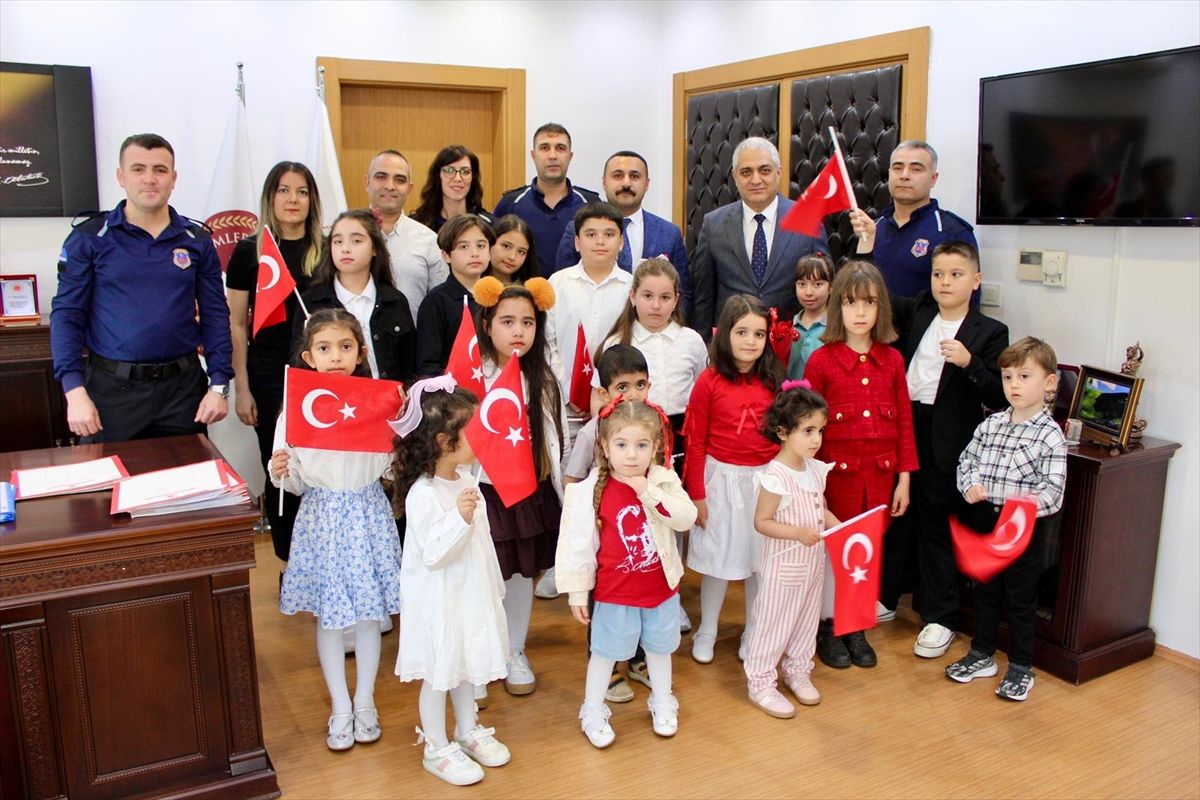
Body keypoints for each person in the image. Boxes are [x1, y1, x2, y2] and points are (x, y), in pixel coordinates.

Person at [268, 309, 403, 751]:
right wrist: (281, 470)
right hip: (322, 519)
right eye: (324, 349)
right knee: (329, 618)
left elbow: (389, 467)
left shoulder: (375, 403)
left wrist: (399, 448)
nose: (335, 357)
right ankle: (339, 707)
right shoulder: (297, 405)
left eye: (345, 347)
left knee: (368, 616)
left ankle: (365, 701)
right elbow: (291, 478)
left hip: (367, 514)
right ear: (308, 356)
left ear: (361, 353)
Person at [51, 132, 232, 442]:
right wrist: (74, 390)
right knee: (108, 489)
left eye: (160, 170)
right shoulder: (90, 239)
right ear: (121, 177)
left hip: (182, 393)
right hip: (111, 394)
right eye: (138, 169)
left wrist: (219, 385)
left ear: (173, 178)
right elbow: (67, 315)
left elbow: (216, 315)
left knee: (187, 487)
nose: (150, 179)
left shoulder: (197, 241)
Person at [887, 241, 1008, 658]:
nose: (945, 282)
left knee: (938, 526)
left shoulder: (990, 331)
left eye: (956, 274)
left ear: (975, 281)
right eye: (939, 274)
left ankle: (942, 617)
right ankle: (888, 596)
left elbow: (998, 392)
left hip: (948, 440)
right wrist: (867, 246)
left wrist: (969, 362)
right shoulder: (921, 309)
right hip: (905, 426)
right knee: (898, 516)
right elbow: (881, 293)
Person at [557, 398, 697, 748]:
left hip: (658, 589)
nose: (631, 455)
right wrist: (577, 591)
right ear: (605, 446)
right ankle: (592, 709)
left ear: (655, 447)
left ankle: (663, 700)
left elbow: (685, 518)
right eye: (621, 445)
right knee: (605, 652)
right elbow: (578, 545)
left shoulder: (663, 480)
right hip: (615, 591)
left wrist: (648, 492)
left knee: (660, 648)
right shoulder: (590, 489)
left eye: (641, 445)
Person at [392, 376, 511, 786]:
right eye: (472, 431)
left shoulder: (464, 481)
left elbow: (482, 544)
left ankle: (466, 728)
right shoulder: (423, 493)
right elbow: (434, 552)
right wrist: (458, 517)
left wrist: (493, 587)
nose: (482, 438)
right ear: (445, 441)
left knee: (465, 666)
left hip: (469, 594)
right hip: (441, 601)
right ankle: (436, 744)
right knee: (440, 671)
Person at [802, 261, 917, 669]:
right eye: (851, 303)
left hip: (881, 478)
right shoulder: (822, 361)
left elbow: (904, 421)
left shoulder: (892, 361)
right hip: (837, 480)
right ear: (838, 308)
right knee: (834, 556)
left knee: (866, 556)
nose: (860, 312)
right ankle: (827, 627)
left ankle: (856, 626)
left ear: (880, 308)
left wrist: (904, 479)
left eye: (869, 303)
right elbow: (808, 430)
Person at [948, 337, 1067, 701]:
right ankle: (982, 653)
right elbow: (966, 461)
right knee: (984, 592)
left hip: (1021, 528)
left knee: (1019, 598)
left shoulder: (1050, 436)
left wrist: (1025, 502)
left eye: (1024, 376)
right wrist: (970, 485)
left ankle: (1020, 665)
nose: (1014, 385)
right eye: (1008, 377)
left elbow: (1053, 490)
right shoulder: (991, 425)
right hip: (985, 519)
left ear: (1049, 383)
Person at [471, 276, 567, 698]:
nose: (517, 331)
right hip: (483, 492)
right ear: (487, 323)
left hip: (528, 488)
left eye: (527, 323)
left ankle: (514, 649)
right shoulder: (470, 375)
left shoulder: (543, 378)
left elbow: (556, 435)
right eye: (507, 321)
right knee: (480, 579)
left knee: (521, 575)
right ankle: (478, 656)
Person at [225, 161, 322, 567]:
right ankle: (289, 561)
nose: (293, 199)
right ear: (270, 197)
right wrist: (242, 387)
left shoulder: (328, 248)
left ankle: (321, 561)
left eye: (301, 191)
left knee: (319, 470)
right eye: (284, 190)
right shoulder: (251, 251)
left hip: (320, 375)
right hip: (268, 376)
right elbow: (235, 324)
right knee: (280, 468)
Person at [683, 294, 783, 665]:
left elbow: (781, 438)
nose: (750, 341)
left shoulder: (773, 380)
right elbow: (695, 441)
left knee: (759, 561)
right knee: (720, 561)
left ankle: (753, 630)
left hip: (762, 483)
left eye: (759, 334)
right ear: (725, 333)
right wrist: (697, 493)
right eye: (742, 332)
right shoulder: (708, 382)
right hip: (720, 480)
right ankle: (707, 628)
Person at [563, 344, 654, 704]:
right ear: (603, 392)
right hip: (607, 535)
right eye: (622, 387)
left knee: (642, 596)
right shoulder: (591, 432)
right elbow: (572, 480)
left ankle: (636, 657)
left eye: (640, 385)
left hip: (644, 529)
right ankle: (607, 665)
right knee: (606, 601)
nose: (632, 394)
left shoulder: (654, 425)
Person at [745, 383, 838, 718]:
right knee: (773, 623)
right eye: (808, 430)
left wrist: (838, 525)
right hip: (784, 568)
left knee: (804, 620)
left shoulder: (814, 468)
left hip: (812, 565)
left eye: (820, 431)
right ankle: (760, 682)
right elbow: (762, 522)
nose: (816, 439)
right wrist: (797, 533)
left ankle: (798, 669)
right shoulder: (776, 476)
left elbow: (820, 507)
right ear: (782, 432)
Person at [689, 137, 830, 339]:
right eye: (746, 172)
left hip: (792, 346)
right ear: (735, 176)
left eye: (764, 170)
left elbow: (824, 287)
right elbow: (703, 298)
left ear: (779, 172)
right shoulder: (713, 225)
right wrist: (705, 347)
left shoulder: (807, 219)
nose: (756, 180)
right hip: (732, 347)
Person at [554, 151, 692, 310]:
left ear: (646, 184)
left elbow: (683, 293)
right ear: (604, 182)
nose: (626, 183)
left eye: (634, 176)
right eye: (618, 176)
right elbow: (563, 286)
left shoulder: (669, 233)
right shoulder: (577, 229)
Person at [295, 209, 417, 385]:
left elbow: (409, 363)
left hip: (389, 403)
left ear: (375, 248)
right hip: (331, 402)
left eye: (356, 241)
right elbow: (298, 366)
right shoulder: (312, 301)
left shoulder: (395, 300)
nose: (345, 248)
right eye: (337, 241)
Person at [848, 140, 978, 300]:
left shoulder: (952, 233)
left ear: (933, 179)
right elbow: (854, 289)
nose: (904, 175)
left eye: (916, 169)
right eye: (897, 168)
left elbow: (968, 304)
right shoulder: (871, 228)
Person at [545, 202, 633, 404]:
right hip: (563, 397)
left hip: (616, 400)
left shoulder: (632, 288)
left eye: (609, 234)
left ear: (621, 242)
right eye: (591, 235)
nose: (600, 241)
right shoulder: (557, 283)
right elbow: (547, 345)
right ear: (577, 242)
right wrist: (569, 392)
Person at [493, 123, 599, 277]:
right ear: (533, 155)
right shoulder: (510, 203)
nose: (553, 156)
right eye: (544, 148)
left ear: (570, 156)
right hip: (523, 296)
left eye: (560, 148)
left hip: (577, 297)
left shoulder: (591, 204)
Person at [364, 149, 447, 311]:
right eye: (381, 177)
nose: (390, 186)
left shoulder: (429, 241)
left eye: (399, 180)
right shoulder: (344, 237)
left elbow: (441, 306)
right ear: (367, 182)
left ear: (409, 188)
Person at [415, 214, 494, 376]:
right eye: (463, 247)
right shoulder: (436, 301)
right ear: (446, 255)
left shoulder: (499, 296)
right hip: (454, 393)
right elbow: (428, 365)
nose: (474, 253)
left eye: (481, 246)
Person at [410, 145, 498, 234]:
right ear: (438, 176)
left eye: (465, 172)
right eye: (449, 170)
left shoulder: (491, 226)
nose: (458, 178)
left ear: (473, 178)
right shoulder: (416, 225)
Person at [785, 253, 834, 381]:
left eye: (817, 284)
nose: (808, 292)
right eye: (802, 284)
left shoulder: (836, 327)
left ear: (831, 287)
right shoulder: (787, 327)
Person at [485, 215, 539, 285]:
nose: (512, 257)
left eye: (521, 252)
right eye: (506, 246)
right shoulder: (470, 283)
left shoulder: (530, 291)